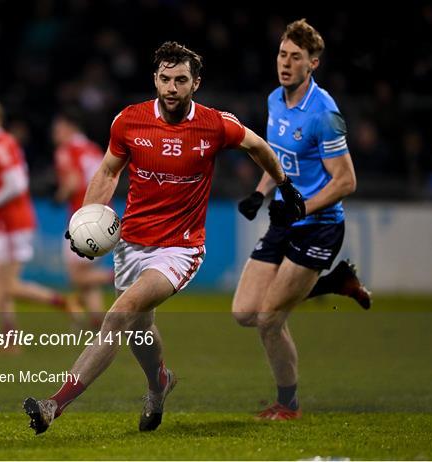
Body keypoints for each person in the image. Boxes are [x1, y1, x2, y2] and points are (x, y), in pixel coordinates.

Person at [23, 41, 305, 434]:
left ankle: (54, 405)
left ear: (196, 83)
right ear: (155, 79)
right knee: (140, 326)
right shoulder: (129, 121)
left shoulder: (215, 124)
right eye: (166, 79)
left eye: (181, 80)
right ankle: (159, 384)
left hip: (180, 247)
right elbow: (107, 173)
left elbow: (258, 145)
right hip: (132, 244)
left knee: (119, 316)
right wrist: (84, 222)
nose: (172, 87)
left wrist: (283, 184)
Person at [233, 19, 372, 421]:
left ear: (313, 63)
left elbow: (346, 180)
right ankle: (336, 282)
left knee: (269, 319)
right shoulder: (276, 99)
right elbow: (277, 159)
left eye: (296, 57)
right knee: (244, 312)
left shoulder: (324, 113)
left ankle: (288, 405)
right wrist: (261, 193)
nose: (286, 63)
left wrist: (300, 207)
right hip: (286, 217)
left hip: (320, 225)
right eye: (282, 54)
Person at [0, 93, 81, 341]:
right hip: (5, 223)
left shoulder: (1, 145)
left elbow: (17, 184)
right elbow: (4, 184)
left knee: (7, 285)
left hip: (15, 223)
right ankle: (10, 337)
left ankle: (64, 303)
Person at [52, 107, 114, 330]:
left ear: (69, 128)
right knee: (86, 274)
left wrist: (59, 196)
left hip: (83, 219)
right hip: (103, 216)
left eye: (58, 128)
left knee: (76, 277)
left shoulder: (67, 150)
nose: (55, 133)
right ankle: (97, 321)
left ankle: (116, 276)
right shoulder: (93, 149)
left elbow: (73, 181)